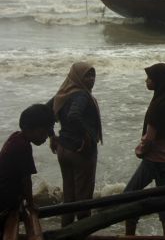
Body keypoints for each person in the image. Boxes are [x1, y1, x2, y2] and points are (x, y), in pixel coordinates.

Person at [124, 63, 165, 236]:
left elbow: (149, 138)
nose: (147, 81)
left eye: (150, 78)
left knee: (129, 195)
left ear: (159, 81)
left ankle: (130, 234)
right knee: (163, 198)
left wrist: (140, 151)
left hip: (155, 160)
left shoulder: (158, 106)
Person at [47, 62, 102, 227]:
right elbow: (74, 115)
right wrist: (86, 136)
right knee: (84, 200)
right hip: (81, 152)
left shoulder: (64, 93)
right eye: (87, 75)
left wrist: (52, 136)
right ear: (77, 76)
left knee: (69, 200)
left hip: (64, 150)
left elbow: (45, 111)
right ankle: (81, 232)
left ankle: (66, 233)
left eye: (93, 75)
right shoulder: (81, 95)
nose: (91, 79)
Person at [0, 104, 55, 235]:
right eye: (43, 132)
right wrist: (31, 205)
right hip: (5, 202)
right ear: (29, 129)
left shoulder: (16, 137)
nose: (46, 137)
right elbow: (26, 180)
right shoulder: (23, 146)